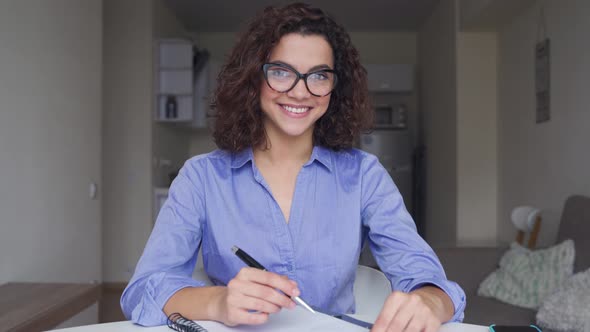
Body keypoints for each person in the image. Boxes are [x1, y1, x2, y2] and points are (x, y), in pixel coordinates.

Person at [121, 3, 466, 332]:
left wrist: (429, 302)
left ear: (335, 87)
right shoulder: (201, 177)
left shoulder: (364, 175)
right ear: (253, 78)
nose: (300, 92)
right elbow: (143, 290)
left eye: (319, 76)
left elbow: (426, 275)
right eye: (281, 72)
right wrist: (218, 301)